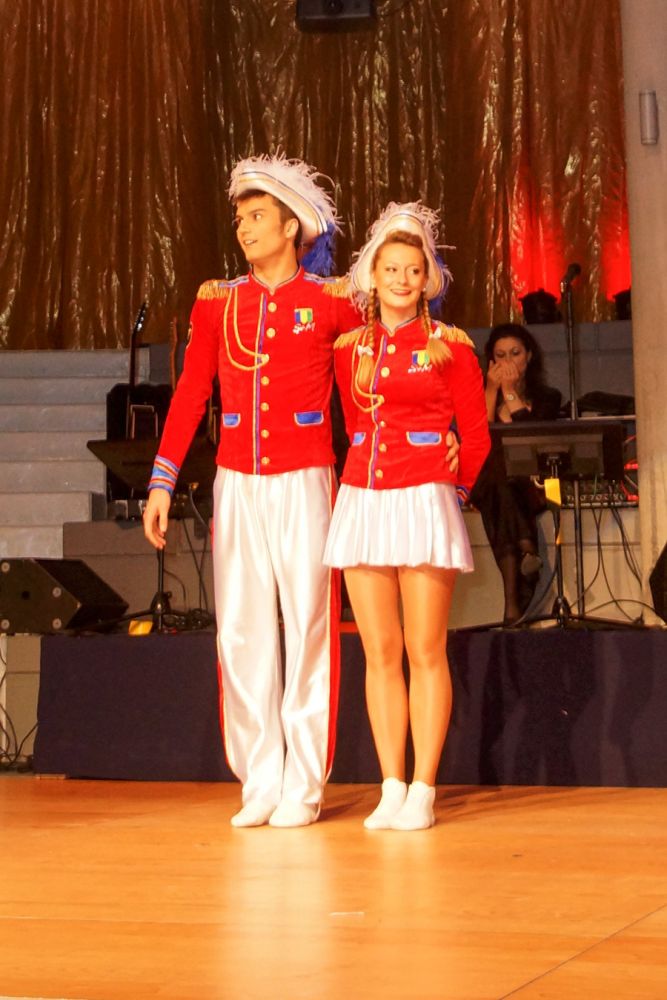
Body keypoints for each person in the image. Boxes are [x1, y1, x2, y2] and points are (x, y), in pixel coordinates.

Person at [143, 154, 363, 828]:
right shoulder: (218, 300)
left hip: (306, 478)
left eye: (258, 215)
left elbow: (369, 383)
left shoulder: (332, 300)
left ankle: (304, 783)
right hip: (237, 479)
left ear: (291, 226)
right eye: (240, 217)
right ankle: (260, 778)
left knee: (309, 626)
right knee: (241, 630)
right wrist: (162, 478)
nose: (244, 227)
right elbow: (191, 391)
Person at [324, 203, 490, 830]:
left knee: (425, 649)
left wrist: (455, 491)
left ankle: (424, 788)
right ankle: (390, 784)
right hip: (363, 499)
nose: (400, 279)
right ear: (373, 276)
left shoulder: (451, 346)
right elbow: (350, 424)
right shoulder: (349, 348)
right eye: (390, 268)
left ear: (427, 280)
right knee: (379, 652)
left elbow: (476, 436)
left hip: (424, 498)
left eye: (412, 270)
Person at [469, 322, 562, 624]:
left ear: (529, 356)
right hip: (491, 485)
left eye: (515, 353)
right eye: (500, 355)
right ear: (490, 361)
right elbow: (478, 437)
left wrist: (509, 391)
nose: (508, 361)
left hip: (530, 485)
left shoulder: (548, 397)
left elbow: (530, 437)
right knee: (498, 478)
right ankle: (526, 548)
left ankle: (512, 608)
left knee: (502, 490)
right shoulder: (483, 394)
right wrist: (492, 389)